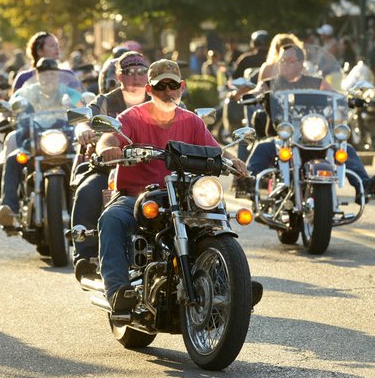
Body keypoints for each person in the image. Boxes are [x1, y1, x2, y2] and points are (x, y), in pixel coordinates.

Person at [96, 59, 248, 312]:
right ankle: (117, 291)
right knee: (111, 218)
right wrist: (108, 149)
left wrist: (234, 160)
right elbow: (110, 136)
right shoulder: (132, 117)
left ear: (182, 87)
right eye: (160, 86)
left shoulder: (191, 121)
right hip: (138, 196)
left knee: (217, 215)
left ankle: (231, 283)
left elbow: (214, 149)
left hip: (183, 195)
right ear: (149, 89)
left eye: (173, 85)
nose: (167, 92)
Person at [239, 44, 374, 199]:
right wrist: (252, 95)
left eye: (290, 60)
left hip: (314, 138)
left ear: (301, 63)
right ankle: (248, 182)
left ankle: (365, 185)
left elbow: (336, 95)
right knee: (261, 148)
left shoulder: (316, 83)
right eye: (282, 60)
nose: (284, 64)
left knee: (346, 149)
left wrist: (350, 98)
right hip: (282, 139)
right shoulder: (269, 84)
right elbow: (257, 91)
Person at [70, 51, 151, 279]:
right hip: (110, 167)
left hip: (153, 169)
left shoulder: (159, 99)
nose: (136, 76)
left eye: (141, 71)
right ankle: (85, 257)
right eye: (129, 72)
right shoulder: (105, 101)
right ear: (119, 76)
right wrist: (84, 130)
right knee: (88, 190)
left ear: (149, 76)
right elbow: (86, 120)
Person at [0, 58, 82, 227]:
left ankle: (91, 210)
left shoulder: (67, 93)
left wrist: (80, 107)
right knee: (14, 159)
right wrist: (9, 112)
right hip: (34, 140)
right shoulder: (26, 93)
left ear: (57, 76)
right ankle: (10, 208)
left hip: (64, 141)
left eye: (52, 74)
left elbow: (82, 104)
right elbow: (13, 106)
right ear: (37, 75)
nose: (48, 78)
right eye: (43, 74)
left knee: (84, 163)